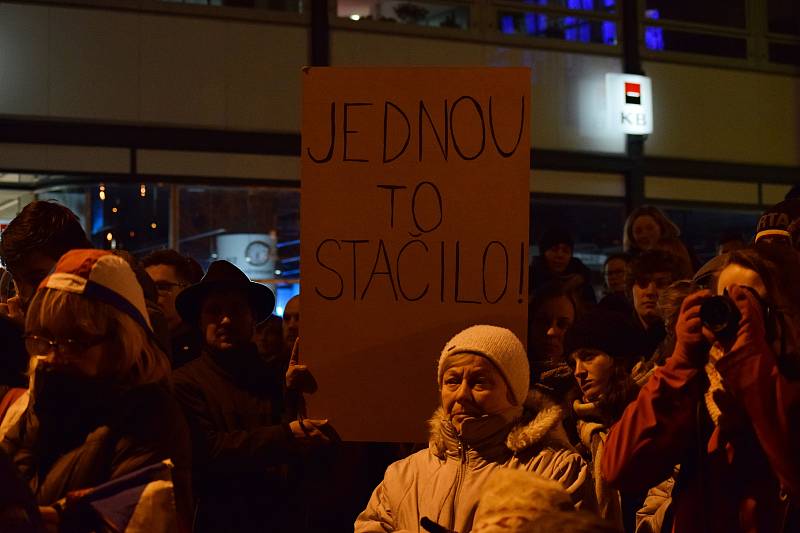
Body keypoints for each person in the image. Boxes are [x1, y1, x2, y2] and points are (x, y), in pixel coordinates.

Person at [602, 245, 800, 532]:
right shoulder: (699, 388)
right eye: (728, 302)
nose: (739, 315)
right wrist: (680, 364)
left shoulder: (787, 389)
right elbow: (619, 469)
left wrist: (751, 363)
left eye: (753, 304)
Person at [0, 249, 192, 532]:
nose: (53, 355)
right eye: (44, 337)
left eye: (74, 339)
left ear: (121, 342)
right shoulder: (32, 404)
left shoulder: (151, 419)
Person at [355, 325, 592, 532]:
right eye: (452, 381)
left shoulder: (556, 472)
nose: (461, 395)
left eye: (479, 382)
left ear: (514, 393)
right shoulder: (403, 476)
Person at [172, 260, 331, 533]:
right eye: (214, 311)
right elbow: (208, 451)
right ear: (200, 321)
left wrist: (294, 394)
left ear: (252, 318)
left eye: (236, 309)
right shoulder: (185, 382)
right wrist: (287, 436)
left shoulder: (273, 378)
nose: (225, 320)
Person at [566, 310, 643, 531]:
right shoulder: (570, 426)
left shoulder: (642, 417)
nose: (579, 371)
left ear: (616, 360)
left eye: (588, 357)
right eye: (573, 363)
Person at [141, 249, 205, 368]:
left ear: (186, 290)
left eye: (162, 287)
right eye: (146, 288)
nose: (152, 295)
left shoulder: (203, 351)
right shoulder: (137, 347)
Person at [625, 250, 683, 364]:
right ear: (631, 289)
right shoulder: (619, 335)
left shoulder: (682, 335)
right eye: (642, 284)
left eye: (661, 284)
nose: (650, 292)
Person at [530, 228, 596, 307]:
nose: (560, 255)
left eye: (566, 251)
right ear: (543, 253)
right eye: (554, 249)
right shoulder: (530, 280)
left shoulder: (582, 285)